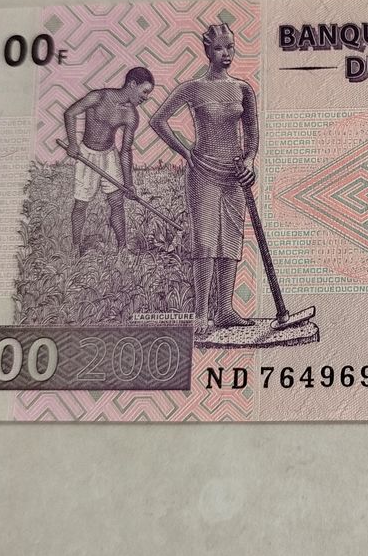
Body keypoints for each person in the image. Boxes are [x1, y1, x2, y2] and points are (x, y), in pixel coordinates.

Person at [149, 22, 257, 329]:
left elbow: (252, 132)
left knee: (231, 240)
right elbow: (158, 120)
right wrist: (185, 152)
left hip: (234, 174)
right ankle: (200, 314)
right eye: (219, 48)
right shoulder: (193, 88)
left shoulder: (243, 89)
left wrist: (249, 161)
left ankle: (225, 310)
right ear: (207, 51)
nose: (226, 54)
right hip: (203, 172)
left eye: (230, 47)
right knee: (206, 241)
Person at [62, 67, 155, 253]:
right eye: (144, 92)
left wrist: (129, 184)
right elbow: (70, 113)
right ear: (132, 84)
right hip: (86, 154)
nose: (145, 98)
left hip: (109, 156)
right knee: (81, 204)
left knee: (117, 203)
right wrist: (72, 143)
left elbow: (125, 150)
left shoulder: (131, 115)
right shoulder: (98, 97)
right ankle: (75, 248)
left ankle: (122, 249)